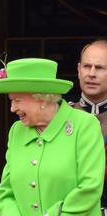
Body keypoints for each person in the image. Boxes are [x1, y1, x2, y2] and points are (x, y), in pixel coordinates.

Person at [0, 58, 105, 215]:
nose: (12, 108)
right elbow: (6, 193)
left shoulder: (84, 125)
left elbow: (90, 187)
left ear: (41, 98)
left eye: (17, 100)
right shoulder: (17, 131)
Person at [73, 39, 107, 213]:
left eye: (100, 68)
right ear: (79, 70)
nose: (91, 73)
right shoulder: (61, 117)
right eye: (87, 66)